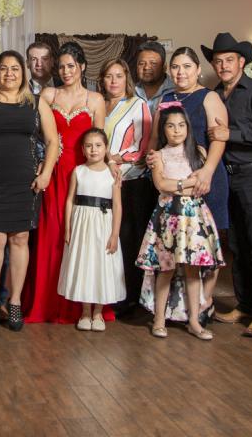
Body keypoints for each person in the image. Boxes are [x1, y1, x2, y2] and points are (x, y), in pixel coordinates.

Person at [0, 50, 56, 331]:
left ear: (23, 73)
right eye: (4, 69)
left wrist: (45, 173)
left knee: (20, 239)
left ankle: (16, 302)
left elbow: (53, 141)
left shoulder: (36, 103)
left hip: (26, 183)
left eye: (15, 69)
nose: (9, 74)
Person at [204, 33, 252, 338]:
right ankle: (245, 304)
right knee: (236, 243)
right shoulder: (215, 94)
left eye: (229, 60)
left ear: (241, 62)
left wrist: (231, 134)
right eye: (218, 61)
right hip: (227, 175)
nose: (223, 65)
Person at [24, 41, 106, 324]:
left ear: (82, 66)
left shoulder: (95, 100)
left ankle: (80, 305)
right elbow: (34, 133)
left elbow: (99, 143)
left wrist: (108, 169)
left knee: (80, 237)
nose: (66, 71)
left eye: (71, 66)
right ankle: (47, 303)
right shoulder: (48, 94)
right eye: (61, 67)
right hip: (54, 170)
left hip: (83, 174)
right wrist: (41, 162)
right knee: (52, 235)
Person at [137, 105, 224, 341]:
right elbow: (161, 185)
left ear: (188, 127)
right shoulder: (158, 155)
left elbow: (203, 185)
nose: (177, 130)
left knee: (193, 269)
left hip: (194, 216)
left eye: (181, 125)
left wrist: (177, 184)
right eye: (171, 126)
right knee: (166, 268)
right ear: (163, 130)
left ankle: (194, 320)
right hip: (169, 216)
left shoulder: (199, 152)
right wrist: (186, 183)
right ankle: (159, 319)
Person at [157, 47, 228, 324]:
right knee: (178, 245)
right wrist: (153, 159)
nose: (181, 72)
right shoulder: (166, 99)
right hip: (175, 182)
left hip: (206, 178)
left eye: (187, 66)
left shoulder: (209, 97)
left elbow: (219, 137)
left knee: (207, 243)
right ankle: (180, 307)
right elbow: (155, 139)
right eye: (175, 67)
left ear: (198, 70)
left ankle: (205, 302)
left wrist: (207, 172)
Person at [98, 58, 152, 317]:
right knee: (107, 239)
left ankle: (130, 297)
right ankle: (108, 293)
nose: (113, 81)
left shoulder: (137, 104)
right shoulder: (99, 104)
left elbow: (143, 145)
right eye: (109, 76)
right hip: (103, 182)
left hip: (130, 181)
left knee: (128, 240)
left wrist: (114, 158)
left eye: (118, 76)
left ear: (126, 78)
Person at [58, 128, 124, 332]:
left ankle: (98, 312)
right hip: (82, 225)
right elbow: (70, 200)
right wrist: (68, 227)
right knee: (85, 264)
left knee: (101, 265)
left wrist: (115, 234)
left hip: (103, 225)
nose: (93, 150)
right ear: (82, 150)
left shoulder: (112, 174)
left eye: (98, 145)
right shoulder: (78, 171)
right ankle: (85, 311)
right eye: (89, 146)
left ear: (106, 148)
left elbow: (117, 205)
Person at [135, 40, 175, 110]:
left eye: (153, 63)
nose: (146, 67)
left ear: (164, 67)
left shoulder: (176, 90)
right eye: (141, 63)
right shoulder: (130, 92)